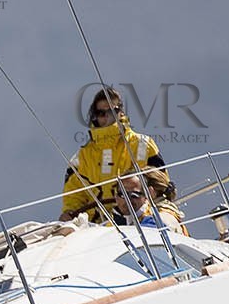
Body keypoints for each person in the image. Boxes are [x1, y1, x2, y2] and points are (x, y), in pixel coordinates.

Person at [61, 87, 166, 222]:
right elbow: (73, 197)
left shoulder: (143, 145)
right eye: (101, 113)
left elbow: (161, 184)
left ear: (120, 113)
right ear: (95, 116)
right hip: (96, 229)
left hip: (139, 220)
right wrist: (69, 213)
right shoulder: (82, 157)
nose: (107, 117)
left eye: (112, 111)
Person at [112, 171, 187, 234]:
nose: (127, 199)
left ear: (147, 195)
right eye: (122, 194)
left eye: (134, 195)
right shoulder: (124, 221)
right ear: (116, 196)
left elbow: (148, 236)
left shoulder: (160, 218)